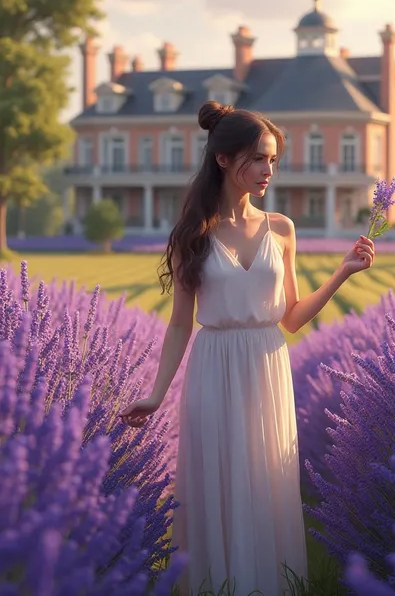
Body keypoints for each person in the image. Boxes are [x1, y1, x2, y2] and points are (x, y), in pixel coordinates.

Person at [119, 101, 376, 595]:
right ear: (223, 159)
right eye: (258, 158)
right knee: (220, 483)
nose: (268, 170)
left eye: (273, 160)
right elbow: (179, 326)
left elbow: (293, 317)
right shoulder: (193, 233)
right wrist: (155, 394)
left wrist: (343, 272)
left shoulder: (281, 228)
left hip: (267, 363)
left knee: (265, 478)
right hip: (213, 366)